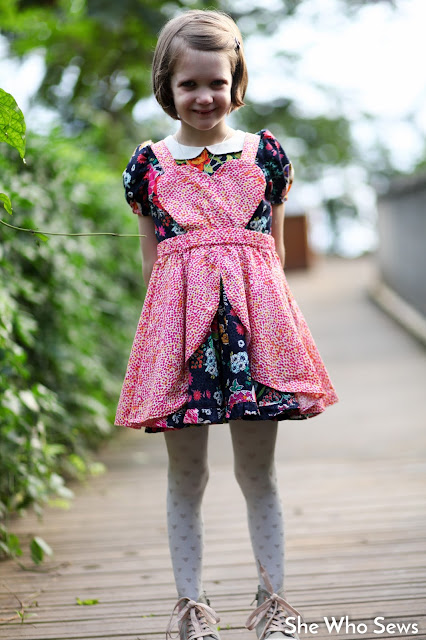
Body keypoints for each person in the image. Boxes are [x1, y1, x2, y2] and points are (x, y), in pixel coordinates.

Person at [115, 9, 338, 640]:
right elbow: (150, 261)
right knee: (187, 475)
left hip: (253, 337)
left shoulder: (265, 154)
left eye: (216, 81)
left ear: (235, 79)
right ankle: (192, 607)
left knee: (256, 473)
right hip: (180, 337)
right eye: (189, 84)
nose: (204, 96)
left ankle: (272, 603)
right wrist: (159, 344)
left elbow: (275, 256)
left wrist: (279, 328)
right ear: (167, 86)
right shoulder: (150, 164)